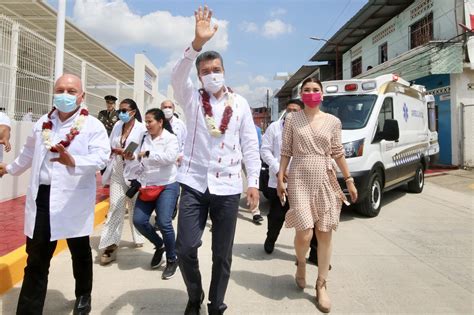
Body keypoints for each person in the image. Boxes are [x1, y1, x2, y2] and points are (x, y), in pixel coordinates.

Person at [171, 6, 260, 314]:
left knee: (222, 254)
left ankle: (215, 303)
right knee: (185, 248)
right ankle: (194, 295)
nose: (211, 75)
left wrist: (254, 184)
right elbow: (176, 75)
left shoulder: (240, 104)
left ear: (224, 71)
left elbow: (250, 143)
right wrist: (196, 44)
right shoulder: (191, 98)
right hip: (194, 184)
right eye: (205, 72)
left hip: (229, 186)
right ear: (199, 76)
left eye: (216, 70)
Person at [0, 74, 110, 315]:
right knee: (36, 258)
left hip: (73, 198)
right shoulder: (42, 123)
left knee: (79, 251)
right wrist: (9, 168)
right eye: (60, 90)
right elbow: (28, 152)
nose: (65, 95)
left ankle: (83, 294)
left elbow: (102, 157)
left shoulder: (93, 125)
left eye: (71, 91)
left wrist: (74, 160)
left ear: (83, 96)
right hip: (42, 197)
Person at [277, 77, 357, 313]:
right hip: (299, 177)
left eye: (315, 90)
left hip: (325, 176)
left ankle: (321, 285)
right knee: (304, 233)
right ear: (302, 95)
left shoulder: (333, 121)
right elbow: (285, 151)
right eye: (307, 90)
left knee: (324, 233)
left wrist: (349, 180)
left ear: (322, 94)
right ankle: (301, 263)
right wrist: (280, 177)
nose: (311, 93)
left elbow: (338, 152)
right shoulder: (292, 119)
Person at [128, 108, 180, 279]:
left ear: (160, 122)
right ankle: (160, 245)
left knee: (164, 222)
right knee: (139, 220)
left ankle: (172, 259)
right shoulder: (143, 137)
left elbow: (170, 158)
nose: (147, 124)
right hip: (147, 185)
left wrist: (148, 154)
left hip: (167, 185)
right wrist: (129, 154)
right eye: (146, 121)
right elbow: (133, 152)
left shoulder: (171, 139)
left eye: (150, 121)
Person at [98, 98, 146, 265]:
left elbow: (142, 150)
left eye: (125, 110)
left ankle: (138, 235)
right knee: (115, 206)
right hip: (118, 168)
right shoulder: (118, 125)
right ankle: (110, 244)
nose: (121, 113)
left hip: (134, 170)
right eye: (120, 111)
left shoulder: (141, 128)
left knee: (134, 206)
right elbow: (109, 144)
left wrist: (130, 153)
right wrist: (113, 152)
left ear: (133, 112)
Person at [261, 98, 303, 254]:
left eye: (295, 111)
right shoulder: (274, 128)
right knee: (276, 216)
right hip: (280, 181)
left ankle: (314, 252)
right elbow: (265, 150)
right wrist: (278, 169)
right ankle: (270, 239)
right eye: (289, 110)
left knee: (308, 219)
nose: (291, 113)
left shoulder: (306, 128)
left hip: (301, 182)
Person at [160, 100, 187, 166]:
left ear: (174, 109)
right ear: (161, 109)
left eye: (170, 107)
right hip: (160, 160)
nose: (167, 109)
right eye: (165, 107)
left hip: (176, 161)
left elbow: (186, 141)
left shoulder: (180, 124)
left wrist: (181, 155)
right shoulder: (157, 123)